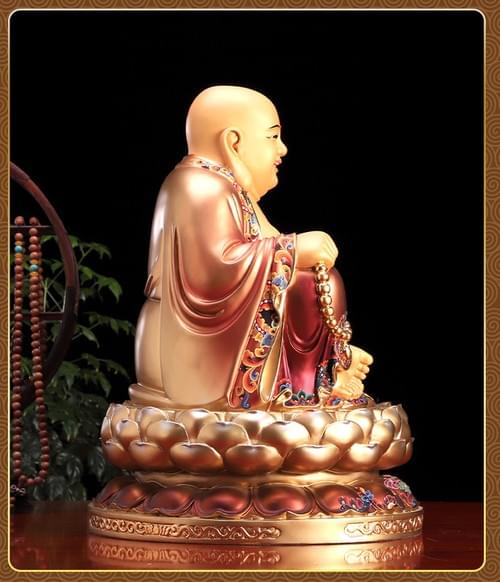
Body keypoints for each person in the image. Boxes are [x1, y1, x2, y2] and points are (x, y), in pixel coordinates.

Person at [131, 86, 373, 411]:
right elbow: (212, 277)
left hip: (210, 343)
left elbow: (263, 256)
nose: (282, 149)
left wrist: (292, 255)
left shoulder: (229, 188)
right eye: (272, 137)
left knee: (315, 279)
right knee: (308, 282)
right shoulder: (199, 186)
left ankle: (322, 369)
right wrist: (294, 248)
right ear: (233, 142)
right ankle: (305, 385)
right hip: (190, 350)